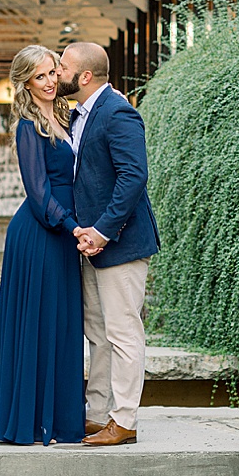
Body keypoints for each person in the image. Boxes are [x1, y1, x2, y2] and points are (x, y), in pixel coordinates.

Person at [0, 45, 86, 446]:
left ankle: (58, 421)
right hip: (43, 233)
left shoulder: (63, 115)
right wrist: (75, 228)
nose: (48, 82)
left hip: (62, 234)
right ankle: (31, 422)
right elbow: (39, 193)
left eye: (52, 73)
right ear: (26, 82)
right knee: (40, 325)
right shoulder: (29, 125)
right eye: (39, 76)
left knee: (61, 326)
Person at [58, 41, 159, 447]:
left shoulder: (118, 112)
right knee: (98, 332)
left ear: (84, 77)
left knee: (123, 332)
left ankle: (125, 421)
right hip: (91, 245)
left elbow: (133, 177)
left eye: (62, 66)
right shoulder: (80, 114)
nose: (56, 71)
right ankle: (99, 415)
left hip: (120, 242)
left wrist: (101, 231)